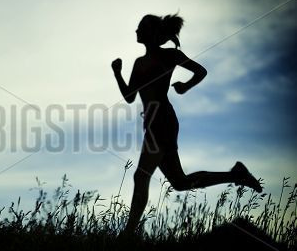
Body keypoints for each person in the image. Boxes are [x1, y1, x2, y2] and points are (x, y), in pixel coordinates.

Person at [111, 14, 262, 234]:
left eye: (140, 27)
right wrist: (117, 74)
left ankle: (127, 234)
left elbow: (200, 71)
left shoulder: (170, 55)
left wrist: (186, 86)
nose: (136, 31)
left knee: (141, 175)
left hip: (162, 120)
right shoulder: (139, 63)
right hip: (153, 122)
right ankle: (236, 175)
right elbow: (130, 96)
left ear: (152, 33)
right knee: (180, 183)